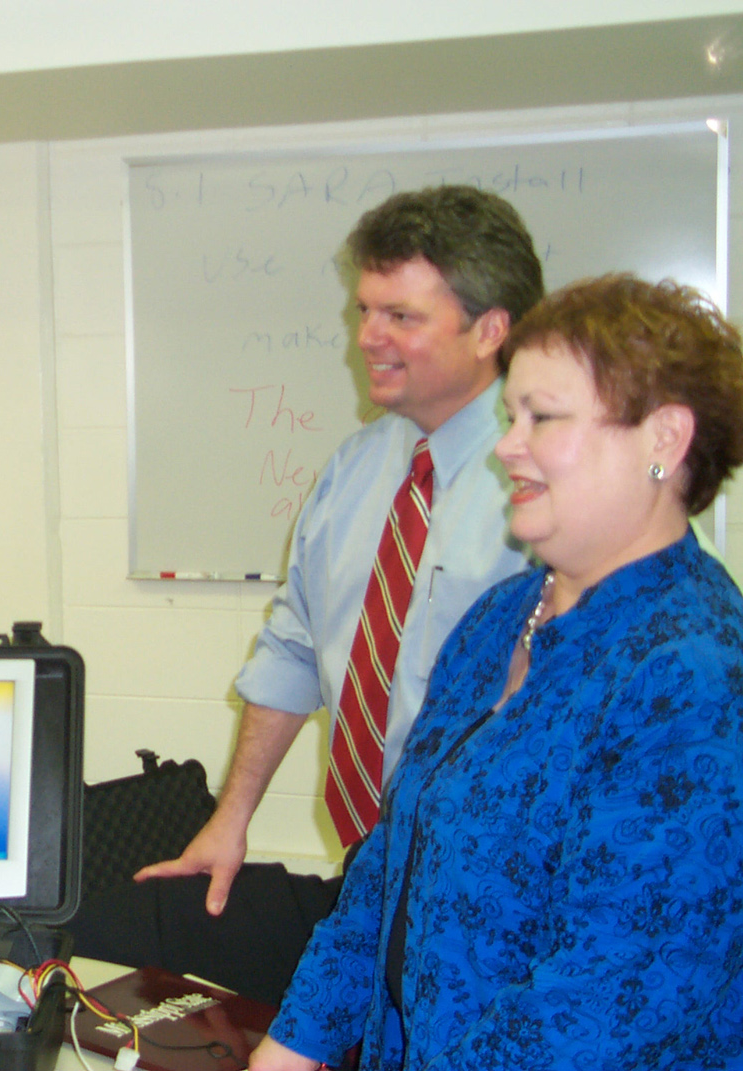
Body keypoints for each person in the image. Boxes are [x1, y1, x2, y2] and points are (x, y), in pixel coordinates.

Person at [253, 273, 743, 1069]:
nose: (507, 443)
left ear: (665, 439)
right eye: (510, 413)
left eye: (541, 417)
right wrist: (293, 1041)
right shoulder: (499, 619)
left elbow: (605, 1003)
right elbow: (392, 861)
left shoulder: (693, 674)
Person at [69, 185, 541, 1006]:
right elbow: (293, 648)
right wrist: (231, 816)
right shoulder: (358, 469)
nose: (367, 339)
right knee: (115, 930)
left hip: (496, 895)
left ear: (490, 328)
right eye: (364, 311)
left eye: (401, 316)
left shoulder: (549, 483)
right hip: (374, 873)